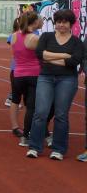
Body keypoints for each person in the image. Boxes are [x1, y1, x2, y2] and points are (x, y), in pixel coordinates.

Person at [26, 9, 84, 160]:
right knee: (40, 113)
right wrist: (64, 56)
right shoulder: (46, 36)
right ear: (55, 23)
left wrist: (49, 58)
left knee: (61, 115)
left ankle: (58, 149)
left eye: (65, 22)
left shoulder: (77, 42)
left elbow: (74, 61)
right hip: (45, 77)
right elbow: (40, 54)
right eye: (58, 22)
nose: (61, 25)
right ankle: (34, 147)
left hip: (67, 80)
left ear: (71, 24)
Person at [12, 12, 42, 146]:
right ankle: (26, 136)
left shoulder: (14, 36)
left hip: (18, 75)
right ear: (35, 22)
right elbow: (43, 55)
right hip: (33, 75)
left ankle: (28, 134)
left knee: (25, 103)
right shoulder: (34, 38)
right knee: (31, 107)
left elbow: (15, 54)